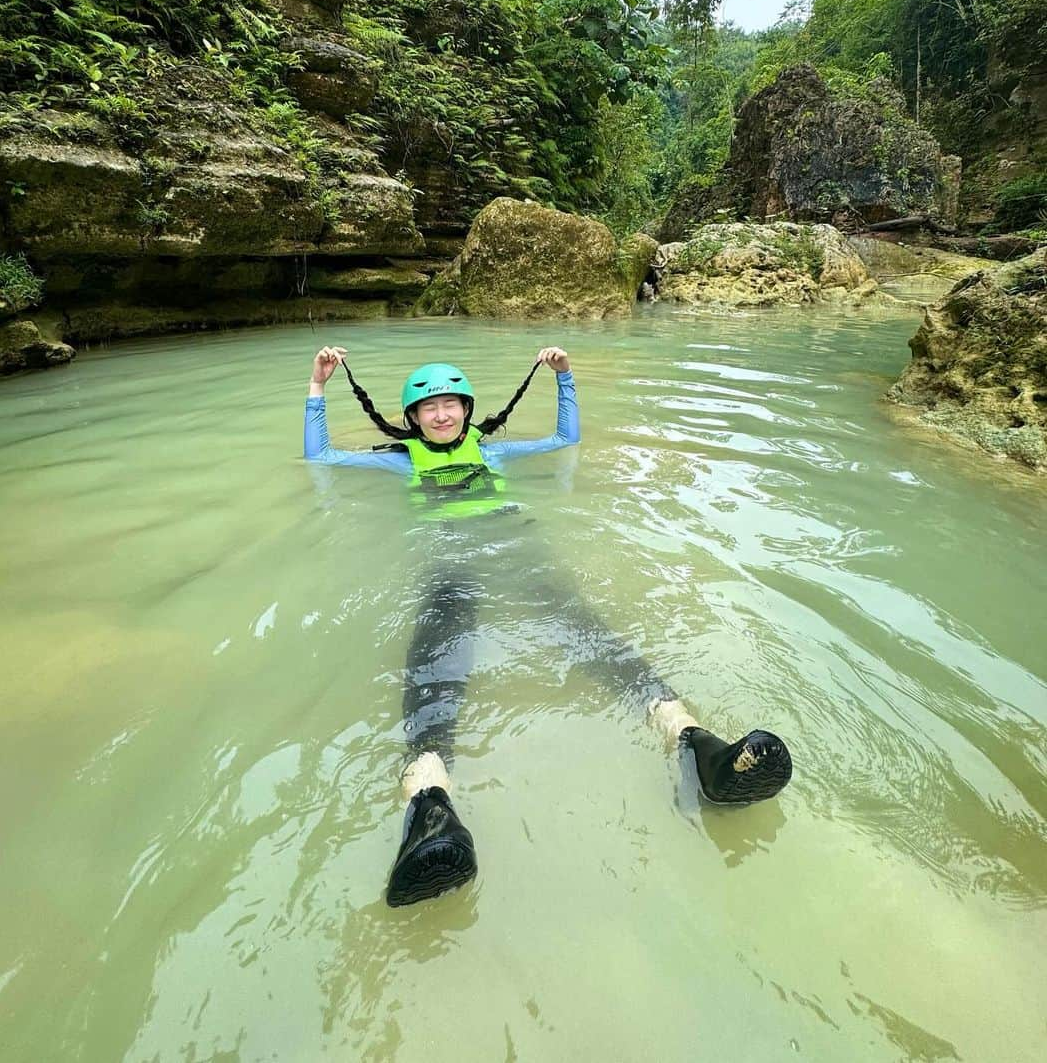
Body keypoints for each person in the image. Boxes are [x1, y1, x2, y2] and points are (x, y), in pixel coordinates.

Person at [304, 344, 792, 907]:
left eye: (451, 405)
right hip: (450, 562)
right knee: (437, 658)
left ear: (466, 408)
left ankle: (695, 743)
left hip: (517, 548)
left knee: (589, 631)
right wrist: (318, 385)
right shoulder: (398, 458)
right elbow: (322, 459)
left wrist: (566, 378)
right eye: (428, 408)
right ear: (412, 418)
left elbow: (565, 441)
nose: (441, 415)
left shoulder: (497, 452)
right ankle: (430, 806)